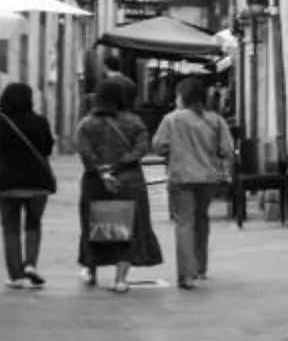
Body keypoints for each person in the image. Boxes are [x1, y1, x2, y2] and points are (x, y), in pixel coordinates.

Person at [71, 77, 163, 292]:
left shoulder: (87, 123)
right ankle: (120, 279)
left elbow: (84, 151)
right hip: (128, 181)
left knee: (93, 225)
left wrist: (102, 170)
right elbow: (142, 148)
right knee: (127, 228)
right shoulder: (134, 122)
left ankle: (91, 271)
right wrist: (122, 163)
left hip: (96, 182)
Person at [155, 75, 237, 291]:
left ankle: (186, 274)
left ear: (181, 97)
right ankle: (200, 267)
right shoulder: (216, 120)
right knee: (201, 219)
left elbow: (159, 146)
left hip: (181, 177)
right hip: (208, 178)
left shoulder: (171, 120)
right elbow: (226, 150)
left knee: (185, 223)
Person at [0, 81, 58, 290]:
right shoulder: (40, 122)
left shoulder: (0, 122)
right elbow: (47, 148)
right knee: (33, 224)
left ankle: (15, 275)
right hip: (37, 182)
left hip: (7, 182)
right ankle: (30, 264)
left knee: (10, 229)